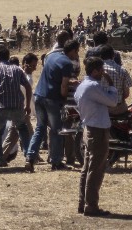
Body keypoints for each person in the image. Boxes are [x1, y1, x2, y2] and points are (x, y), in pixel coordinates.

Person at [26, 40, 80, 172]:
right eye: (76, 52)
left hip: (39, 95)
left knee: (40, 128)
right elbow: (63, 87)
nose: (77, 55)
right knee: (56, 130)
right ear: (72, 51)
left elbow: (54, 76)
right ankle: (56, 162)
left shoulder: (51, 57)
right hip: (52, 99)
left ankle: (30, 158)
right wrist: (64, 98)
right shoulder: (67, 63)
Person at [75, 57, 117, 216]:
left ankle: (83, 202)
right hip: (97, 130)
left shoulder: (82, 86)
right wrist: (111, 84)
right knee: (96, 169)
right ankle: (91, 205)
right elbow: (113, 101)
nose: (103, 73)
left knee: (87, 168)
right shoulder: (93, 86)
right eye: (101, 70)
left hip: (88, 127)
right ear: (95, 71)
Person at [0, 46, 32, 167]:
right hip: (17, 105)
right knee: (22, 129)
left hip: (1, 106)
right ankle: (28, 156)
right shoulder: (17, 69)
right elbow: (28, 86)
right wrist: (27, 105)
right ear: (8, 56)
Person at [98, 46, 132, 116]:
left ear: (100, 56)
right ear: (113, 56)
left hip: (101, 109)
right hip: (119, 109)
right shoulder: (122, 70)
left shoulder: (96, 71)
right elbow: (126, 94)